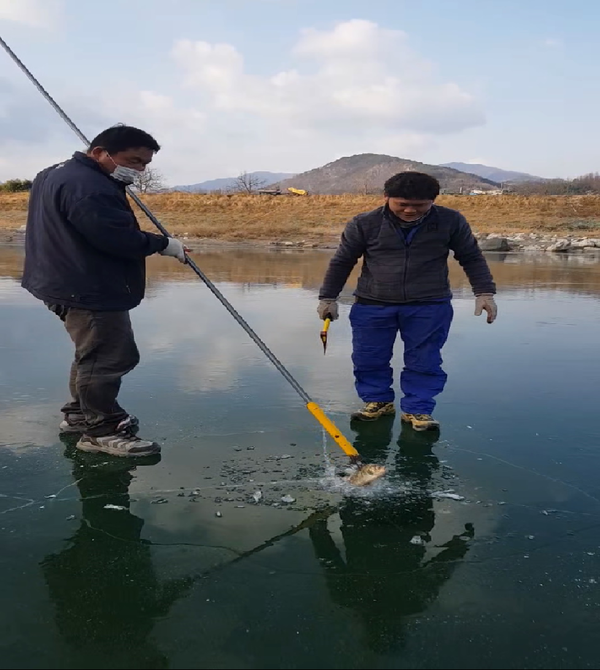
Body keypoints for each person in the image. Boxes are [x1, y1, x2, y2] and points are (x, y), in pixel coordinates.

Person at [22, 124, 187, 457]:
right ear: (100, 153)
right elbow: (116, 238)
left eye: (144, 164)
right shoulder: (89, 186)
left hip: (61, 278)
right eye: (133, 160)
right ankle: (100, 430)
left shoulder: (55, 173)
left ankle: (80, 416)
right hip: (86, 285)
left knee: (92, 352)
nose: (138, 169)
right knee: (110, 355)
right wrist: (162, 243)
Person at [317, 171, 497, 431]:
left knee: (425, 359)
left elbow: (471, 257)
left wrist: (484, 293)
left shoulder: (450, 221)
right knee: (368, 357)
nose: (410, 210)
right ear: (386, 197)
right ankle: (377, 401)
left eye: (420, 205)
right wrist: (328, 297)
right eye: (402, 204)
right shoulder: (364, 223)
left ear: (433, 201)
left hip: (429, 304)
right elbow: (343, 261)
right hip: (373, 302)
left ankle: (418, 410)